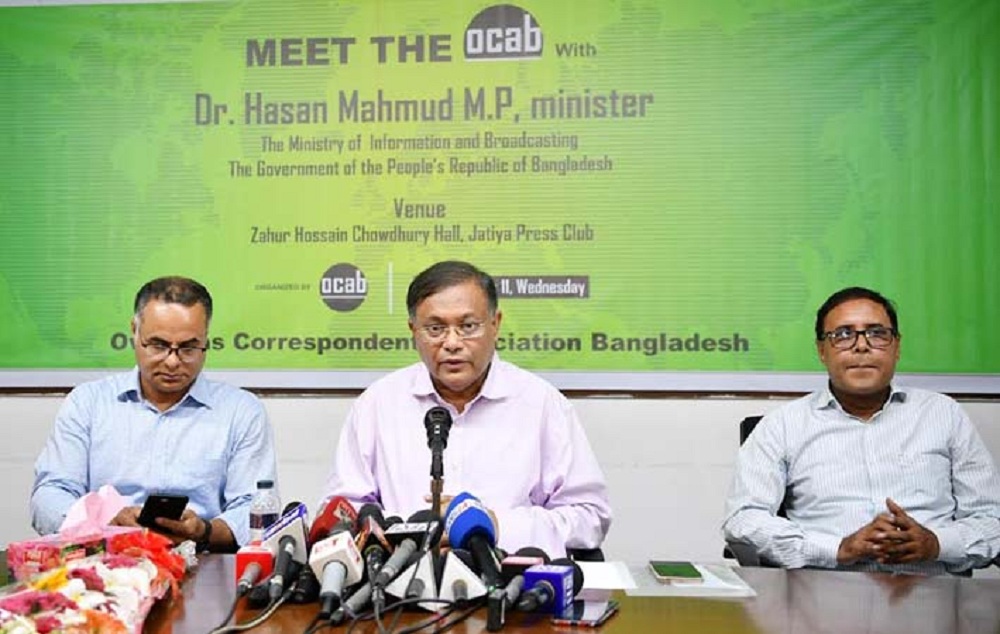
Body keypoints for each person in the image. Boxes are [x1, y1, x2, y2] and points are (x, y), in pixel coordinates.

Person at [323, 261, 612, 558]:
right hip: (401, 577)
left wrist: (496, 526)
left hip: (510, 577)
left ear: (495, 324)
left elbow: (590, 517)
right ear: (413, 331)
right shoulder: (377, 404)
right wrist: (391, 535)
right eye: (435, 329)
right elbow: (342, 510)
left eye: (468, 326)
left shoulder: (542, 404)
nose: (452, 343)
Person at [723, 287, 1000, 574]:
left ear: (897, 346)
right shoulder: (782, 425)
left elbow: (991, 520)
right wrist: (839, 548)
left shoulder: (943, 414)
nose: (861, 346)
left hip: (930, 592)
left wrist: (937, 544)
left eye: (877, 333)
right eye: (843, 335)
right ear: (821, 350)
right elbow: (743, 521)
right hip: (824, 594)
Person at [31, 276, 277, 552]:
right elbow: (49, 496)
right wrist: (104, 524)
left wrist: (204, 531)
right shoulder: (87, 403)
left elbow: (254, 508)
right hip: (104, 560)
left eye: (188, 348)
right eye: (158, 345)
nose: (172, 361)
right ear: (134, 331)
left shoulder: (241, 411)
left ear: (206, 339)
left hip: (203, 561)